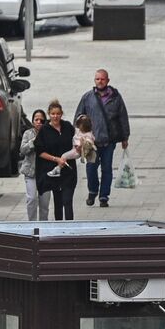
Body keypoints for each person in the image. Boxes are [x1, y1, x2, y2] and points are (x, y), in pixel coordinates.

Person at [75, 68, 131, 209]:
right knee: (91, 168)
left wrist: (125, 137)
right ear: (94, 80)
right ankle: (92, 191)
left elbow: (122, 117)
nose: (100, 81)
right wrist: (79, 137)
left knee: (107, 169)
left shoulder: (116, 97)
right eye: (97, 79)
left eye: (102, 79)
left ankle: (104, 196)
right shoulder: (87, 97)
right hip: (90, 142)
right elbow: (78, 117)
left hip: (108, 141)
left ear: (108, 80)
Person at [35, 99, 77, 220]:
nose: (55, 116)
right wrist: (56, 159)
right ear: (49, 114)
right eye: (53, 114)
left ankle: (70, 229)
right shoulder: (44, 130)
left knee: (67, 201)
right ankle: (59, 228)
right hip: (54, 172)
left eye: (58, 114)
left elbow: (76, 141)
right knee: (58, 203)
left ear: (61, 114)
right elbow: (40, 151)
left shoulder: (67, 126)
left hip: (69, 170)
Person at [19, 110, 49, 221]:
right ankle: (31, 223)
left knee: (44, 203)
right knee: (31, 199)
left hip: (45, 173)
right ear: (32, 121)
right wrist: (33, 142)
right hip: (30, 172)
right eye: (36, 119)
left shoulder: (49, 134)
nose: (39, 122)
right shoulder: (28, 134)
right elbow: (22, 150)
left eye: (42, 120)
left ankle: (43, 225)